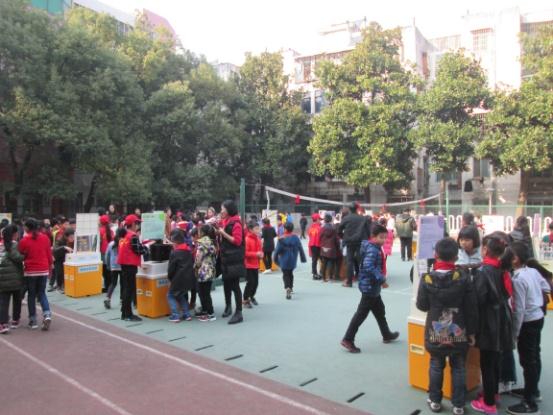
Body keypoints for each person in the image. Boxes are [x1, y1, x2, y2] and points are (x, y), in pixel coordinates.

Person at [416, 238, 478, 415]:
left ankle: (435, 400)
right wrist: (472, 332)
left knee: (436, 364)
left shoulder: (427, 278)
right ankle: (458, 405)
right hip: (459, 329)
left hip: (435, 330)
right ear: (456, 256)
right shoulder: (464, 278)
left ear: (436, 255)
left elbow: (422, 305)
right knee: (459, 366)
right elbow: (471, 307)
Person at [471, 232, 514, 415]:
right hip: (502, 320)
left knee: (487, 364)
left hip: (488, 323)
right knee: (495, 361)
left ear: (485, 250)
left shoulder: (483, 272)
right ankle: (493, 393)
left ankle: (488, 404)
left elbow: (478, 300)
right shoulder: (502, 270)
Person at [506, 242, 550, 415]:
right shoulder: (532, 271)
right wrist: (535, 296)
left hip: (527, 323)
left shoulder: (517, 279)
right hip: (538, 318)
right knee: (534, 356)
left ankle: (529, 403)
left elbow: (519, 310)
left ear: (515, 259)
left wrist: (515, 334)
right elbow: (546, 287)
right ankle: (533, 390)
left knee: (528, 361)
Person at [341, 224, 399, 353]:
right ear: (373, 236)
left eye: (385, 237)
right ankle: (348, 339)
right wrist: (381, 279)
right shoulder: (373, 250)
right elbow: (368, 266)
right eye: (381, 237)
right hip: (369, 286)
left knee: (380, 311)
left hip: (372, 286)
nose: (384, 240)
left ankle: (386, 334)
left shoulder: (374, 247)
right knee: (360, 315)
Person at [18, 218, 53, 331]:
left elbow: (20, 254)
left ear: (27, 227)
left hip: (30, 271)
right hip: (43, 269)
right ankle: (47, 314)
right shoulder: (45, 238)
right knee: (42, 293)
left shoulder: (24, 240)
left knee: (31, 295)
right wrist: (50, 268)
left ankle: (33, 320)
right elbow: (49, 254)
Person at [216, 200, 245, 325]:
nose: (221, 211)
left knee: (235, 286)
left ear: (229, 210)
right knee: (226, 283)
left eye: (223, 208)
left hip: (234, 259)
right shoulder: (226, 221)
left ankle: (239, 312)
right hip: (226, 258)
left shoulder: (236, 223)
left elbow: (237, 241)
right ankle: (228, 306)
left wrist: (223, 233)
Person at [117, 214, 149, 322]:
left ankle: (124, 313)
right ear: (133, 224)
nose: (138, 225)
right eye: (137, 223)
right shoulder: (133, 236)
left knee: (126, 289)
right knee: (129, 290)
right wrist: (147, 248)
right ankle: (128, 315)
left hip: (124, 265)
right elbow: (138, 250)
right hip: (130, 265)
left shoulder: (124, 235)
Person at [338, 202, 372, 287]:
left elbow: (339, 230)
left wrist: (343, 237)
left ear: (350, 209)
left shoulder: (346, 218)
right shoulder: (363, 218)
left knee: (350, 262)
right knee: (361, 261)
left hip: (349, 242)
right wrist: (367, 239)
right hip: (360, 241)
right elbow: (368, 231)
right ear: (357, 208)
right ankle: (365, 280)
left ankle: (349, 282)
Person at [166, 229, 195, 323]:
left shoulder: (174, 253)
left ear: (175, 241)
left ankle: (175, 315)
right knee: (180, 295)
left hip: (178, 279)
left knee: (170, 295)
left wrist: (170, 278)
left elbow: (171, 269)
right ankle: (187, 314)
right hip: (188, 278)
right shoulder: (188, 250)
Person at [0, 225, 25, 333]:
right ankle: (15, 320)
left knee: (3, 302)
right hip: (15, 277)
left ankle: (3, 323)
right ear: (14, 234)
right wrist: (25, 255)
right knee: (17, 300)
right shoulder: (14, 245)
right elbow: (17, 257)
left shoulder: (1, 245)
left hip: (2, 278)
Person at [274, 222, 306, 299]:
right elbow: (300, 248)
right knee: (290, 273)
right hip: (293, 259)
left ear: (285, 229)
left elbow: (277, 250)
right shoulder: (296, 238)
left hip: (283, 259)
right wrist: (303, 258)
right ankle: (291, 287)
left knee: (285, 274)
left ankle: (287, 287)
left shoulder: (281, 239)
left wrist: (275, 260)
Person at [194, 225, 217, 322]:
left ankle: (210, 313)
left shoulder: (201, 244)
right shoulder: (212, 243)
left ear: (202, 233)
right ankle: (207, 312)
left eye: (199, 231)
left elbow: (198, 260)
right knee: (206, 293)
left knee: (202, 293)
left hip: (203, 271)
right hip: (210, 270)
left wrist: (195, 267)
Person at [243, 220, 263, 308]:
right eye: (256, 228)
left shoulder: (258, 239)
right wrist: (256, 254)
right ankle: (245, 299)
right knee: (250, 283)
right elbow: (245, 253)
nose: (258, 230)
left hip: (256, 265)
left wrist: (261, 254)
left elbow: (260, 250)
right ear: (250, 230)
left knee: (255, 283)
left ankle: (251, 296)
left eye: (259, 228)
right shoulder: (247, 239)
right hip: (248, 265)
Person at [103, 228, 124, 309]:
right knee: (122, 283)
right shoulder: (123, 242)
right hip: (122, 265)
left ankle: (107, 298)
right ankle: (122, 300)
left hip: (113, 266)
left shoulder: (111, 244)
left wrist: (108, 265)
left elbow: (107, 255)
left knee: (113, 283)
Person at [53, 228, 74, 294]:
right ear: (66, 236)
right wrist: (64, 247)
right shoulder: (60, 240)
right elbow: (55, 249)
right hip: (59, 259)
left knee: (66, 273)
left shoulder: (73, 241)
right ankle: (59, 287)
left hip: (68, 259)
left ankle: (64, 286)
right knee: (59, 273)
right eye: (71, 237)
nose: (73, 238)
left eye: (73, 237)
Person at [319, 213, 340, 282]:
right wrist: (338, 246)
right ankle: (330, 277)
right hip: (331, 248)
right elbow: (336, 239)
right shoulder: (333, 229)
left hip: (324, 247)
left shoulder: (322, 228)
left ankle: (323, 278)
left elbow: (319, 237)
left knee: (324, 263)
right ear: (331, 220)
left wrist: (322, 244)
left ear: (325, 220)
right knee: (331, 263)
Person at [99, 215, 114, 294]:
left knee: (105, 271)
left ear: (101, 222)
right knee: (109, 269)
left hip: (103, 252)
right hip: (111, 252)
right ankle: (110, 285)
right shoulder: (111, 231)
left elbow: (99, 242)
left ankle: (107, 286)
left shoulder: (100, 231)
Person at [308, 213, 322, 280]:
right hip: (318, 245)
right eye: (319, 219)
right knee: (322, 260)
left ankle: (314, 274)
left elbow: (309, 236)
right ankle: (321, 273)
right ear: (317, 219)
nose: (320, 221)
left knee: (314, 260)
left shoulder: (310, 228)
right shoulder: (320, 228)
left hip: (312, 245)